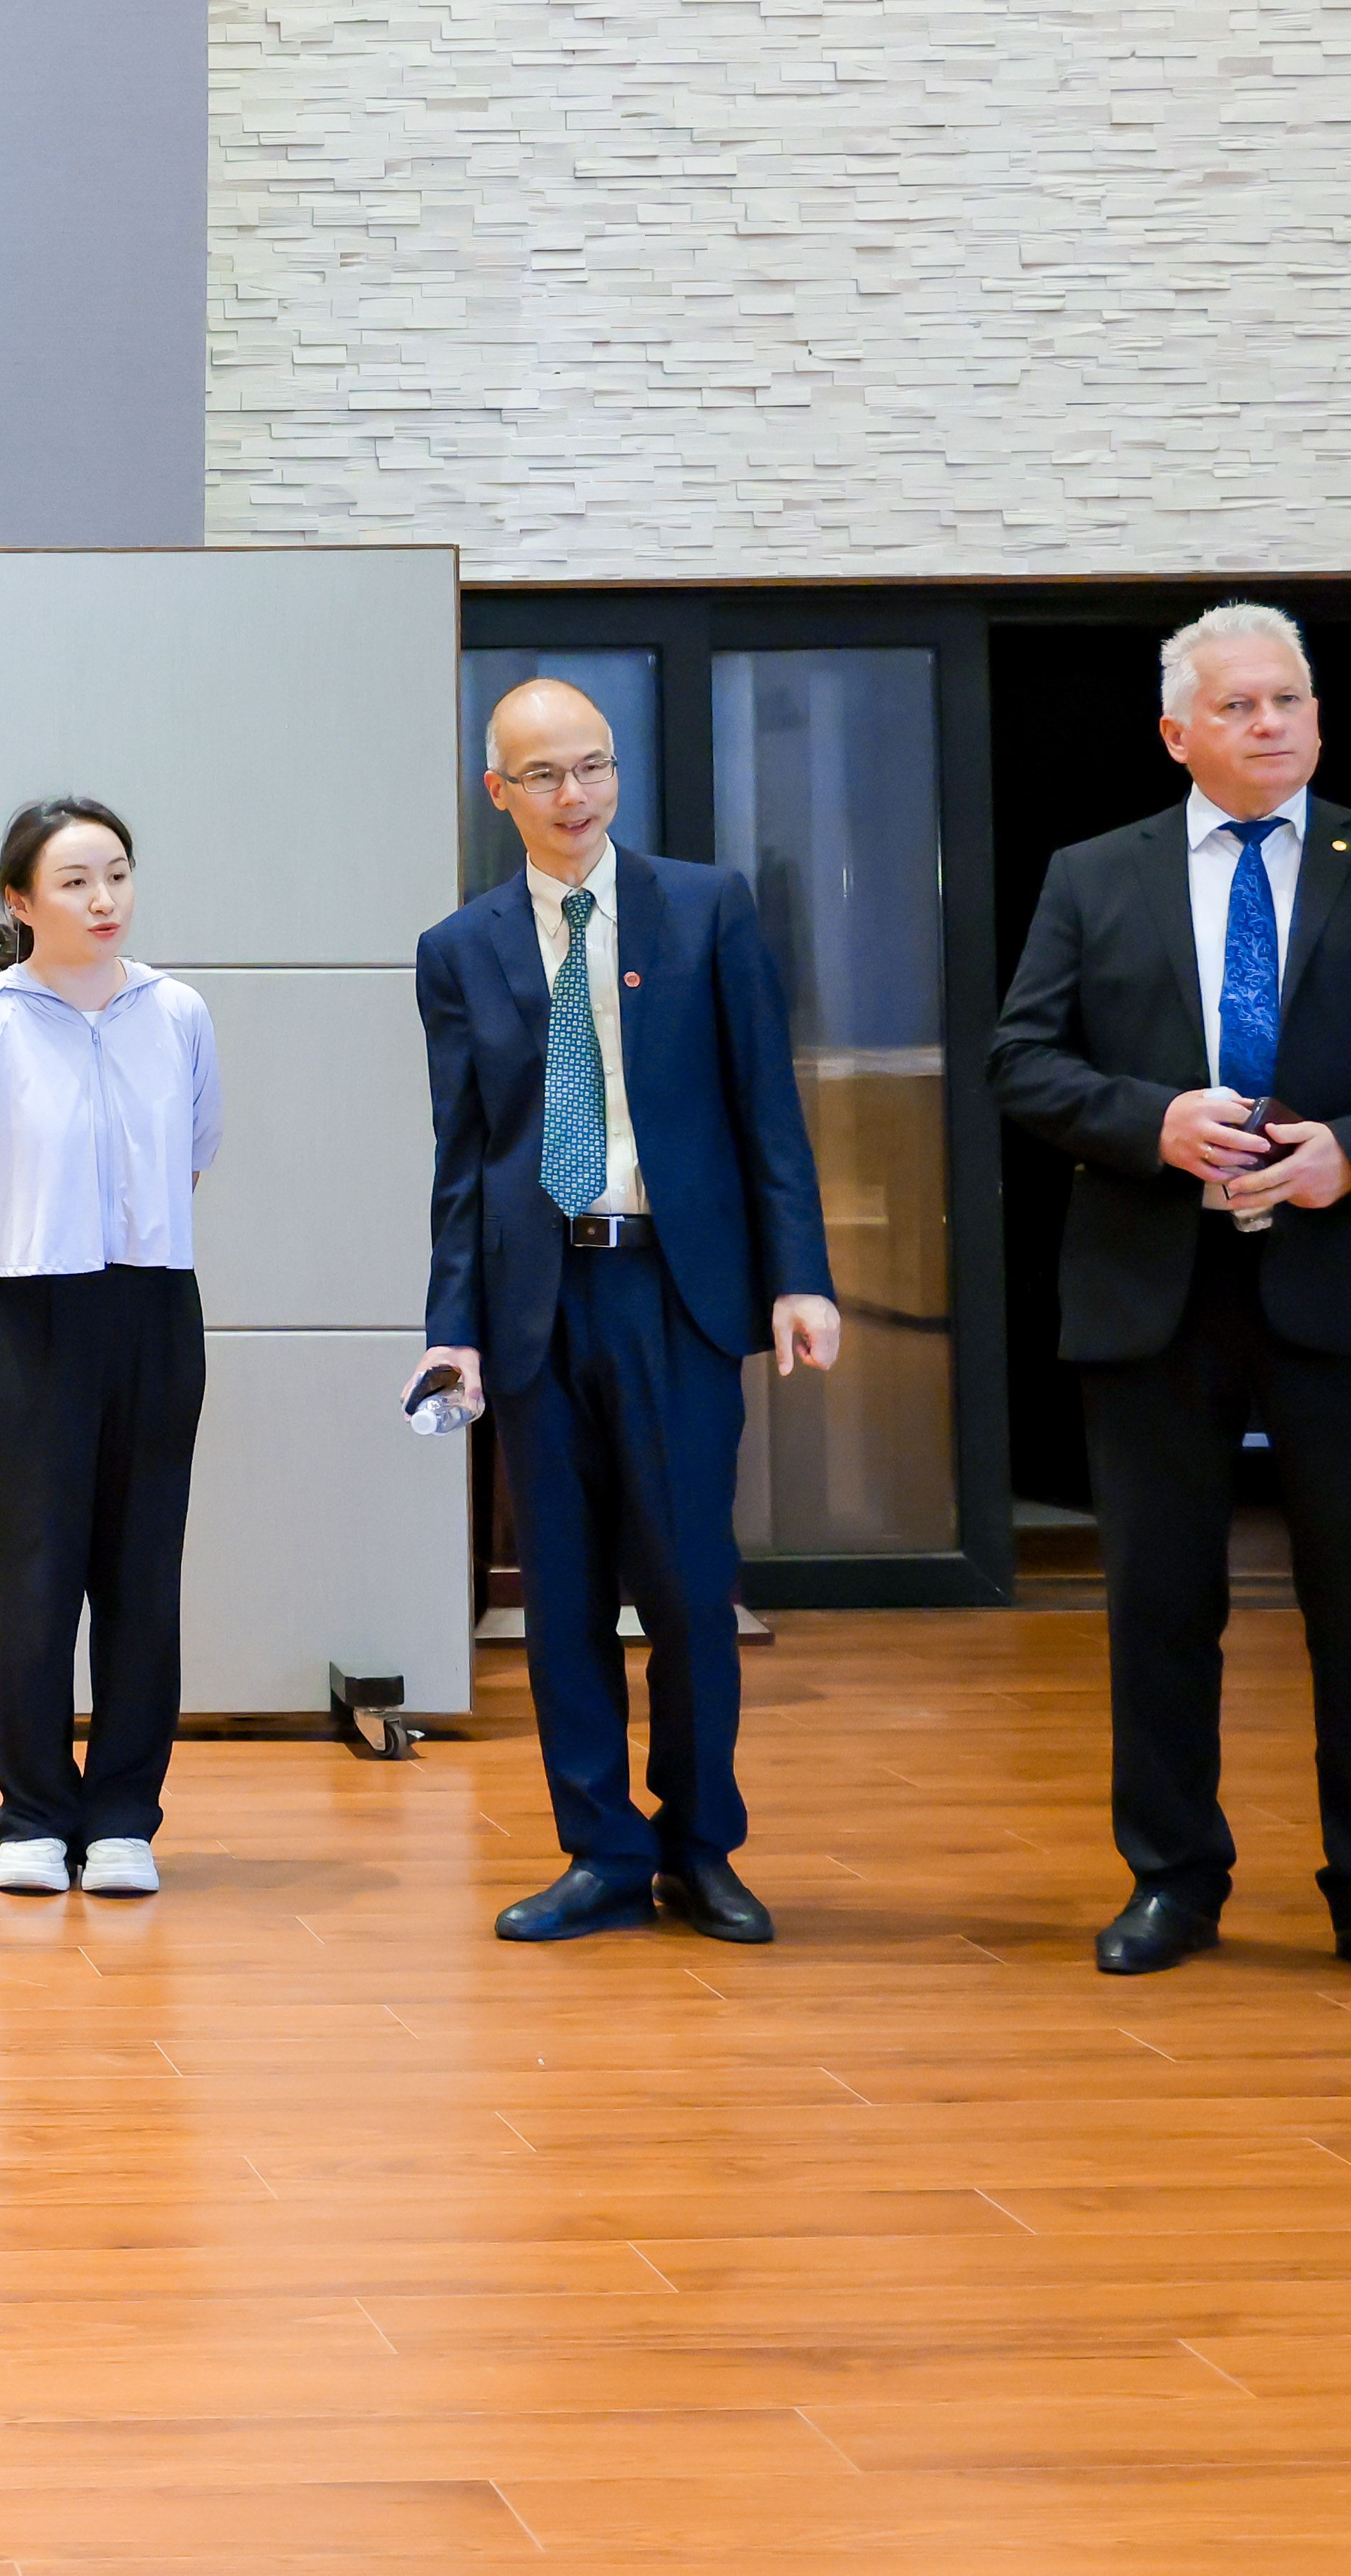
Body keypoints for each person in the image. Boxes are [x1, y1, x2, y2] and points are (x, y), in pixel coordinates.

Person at [989, 601, 1351, 1999]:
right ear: (1177, 733)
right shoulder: (1091, 875)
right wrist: (1149, 1121)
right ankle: (1172, 1874)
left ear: (1319, 719)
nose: (1271, 723)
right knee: (1160, 1606)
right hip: (1153, 1291)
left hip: (1349, 1285)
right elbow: (1022, 1060)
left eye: (1289, 699)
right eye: (1238, 705)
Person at [415, 678, 842, 1946]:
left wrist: (800, 1274)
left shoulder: (705, 908)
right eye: (544, 775)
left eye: (593, 766)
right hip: (537, 1302)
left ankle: (700, 1848)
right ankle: (600, 1851)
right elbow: (463, 1158)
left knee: (690, 1589)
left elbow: (767, 1106)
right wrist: (451, 1328)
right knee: (561, 1600)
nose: (576, 795)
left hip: (674, 1289)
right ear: (498, 793)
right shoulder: (459, 948)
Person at [0, 797, 223, 1901]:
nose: (104, 901)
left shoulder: (178, 1013)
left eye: (118, 876)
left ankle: (126, 1815)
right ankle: (36, 1814)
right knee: (37, 1573)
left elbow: (193, 1155)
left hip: (153, 1310)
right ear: (20, 900)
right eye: (76, 881)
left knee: (143, 1575)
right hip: (24, 1316)